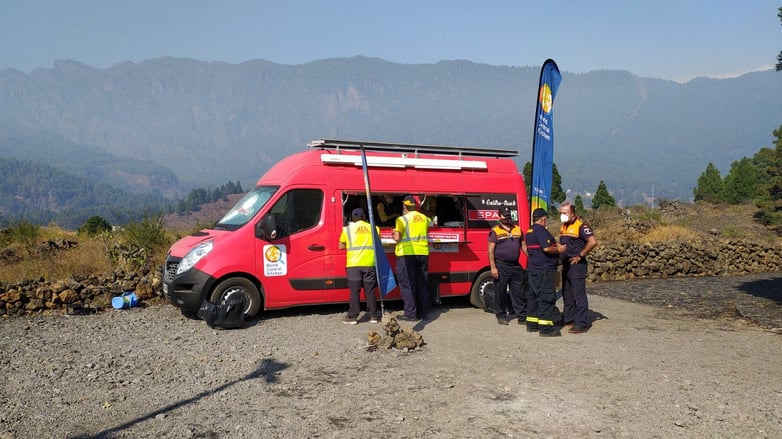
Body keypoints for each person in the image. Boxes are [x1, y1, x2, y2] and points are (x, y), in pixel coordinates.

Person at [524, 208, 565, 337]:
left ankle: (532, 324)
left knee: (533, 297)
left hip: (533, 269)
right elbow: (546, 248)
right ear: (543, 219)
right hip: (544, 269)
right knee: (546, 297)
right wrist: (559, 249)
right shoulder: (541, 231)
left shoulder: (529, 231)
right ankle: (546, 329)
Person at [558, 202, 598, 333]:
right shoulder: (564, 226)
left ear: (572, 213)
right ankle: (568, 319)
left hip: (577, 265)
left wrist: (580, 256)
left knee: (578, 294)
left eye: (565, 213)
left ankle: (581, 323)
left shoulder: (581, 226)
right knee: (567, 294)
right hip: (566, 264)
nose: (562, 216)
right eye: (561, 213)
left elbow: (592, 241)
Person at [338, 207, 380, 325]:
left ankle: (353, 317)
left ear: (353, 218)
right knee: (370, 290)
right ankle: (373, 316)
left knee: (354, 291)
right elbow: (378, 244)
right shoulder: (374, 228)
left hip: (353, 264)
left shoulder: (347, 230)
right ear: (364, 217)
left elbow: (341, 246)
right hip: (369, 263)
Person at [392, 195, 431, 321]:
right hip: (423, 253)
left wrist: (394, 233)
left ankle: (410, 314)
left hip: (407, 254)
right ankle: (423, 313)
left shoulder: (401, 219)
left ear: (404, 206)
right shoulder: (425, 218)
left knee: (407, 284)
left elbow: (397, 238)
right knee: (422, 284)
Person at [488, 206, 527, 325]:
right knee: (500, 291)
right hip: (501, 265)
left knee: (518, 291)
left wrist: (533, 257)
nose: (507, 217)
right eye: (504, 215)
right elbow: (490, 251)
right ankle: (501, 315)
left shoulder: (518, 229)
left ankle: (521, 315)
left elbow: (524, 247)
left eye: (509, 215)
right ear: (499, 216)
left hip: (515, 266)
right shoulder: (495, 231)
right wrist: (493, 268)